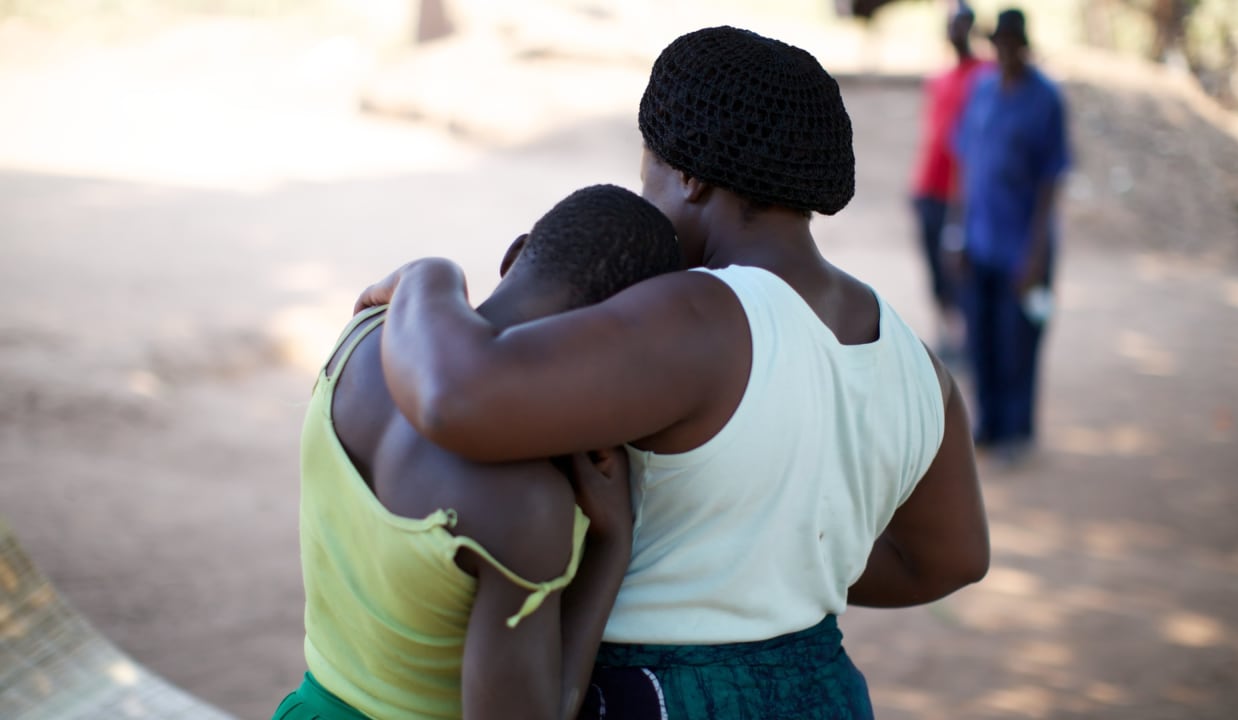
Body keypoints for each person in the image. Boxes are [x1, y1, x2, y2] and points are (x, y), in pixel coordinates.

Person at [361, 27, 989, 719]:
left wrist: (428, 279)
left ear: (688, 176)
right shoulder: (916, 363)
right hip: (823, 690)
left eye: (647, 178)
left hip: (659, 694)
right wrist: (775, 562)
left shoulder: (704, 312)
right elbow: (951, 559)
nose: (645, 201)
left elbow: (456, 398)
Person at [272, 184, 683, 720]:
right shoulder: (526, 498)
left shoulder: (364, 335)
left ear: (515, 254)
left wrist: (432, 273)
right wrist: (613, 539)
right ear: (619, 346)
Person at [953, 8, 1070, 463]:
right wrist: (956, 232)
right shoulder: (982, 92)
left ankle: (1017, 431)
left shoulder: (1046, 99)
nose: (1002, 50)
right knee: (980, 338)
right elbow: (967, 166)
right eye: (996, 42)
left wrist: (1036, 254)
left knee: (1017, 341)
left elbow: (1050, 182)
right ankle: (990, 423)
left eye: (1010, 43)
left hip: (1023, 248)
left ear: (1023, 45)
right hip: (979, 240)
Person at [909, 3, 984, 361]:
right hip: (928, 189)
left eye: (962, 25)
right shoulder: (937, 79)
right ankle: (946, 335)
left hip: (964, 193)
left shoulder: (986, 74)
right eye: (951, 25)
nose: (955, 32)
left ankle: (967, 336)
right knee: (935, 268)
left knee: (960, 267)